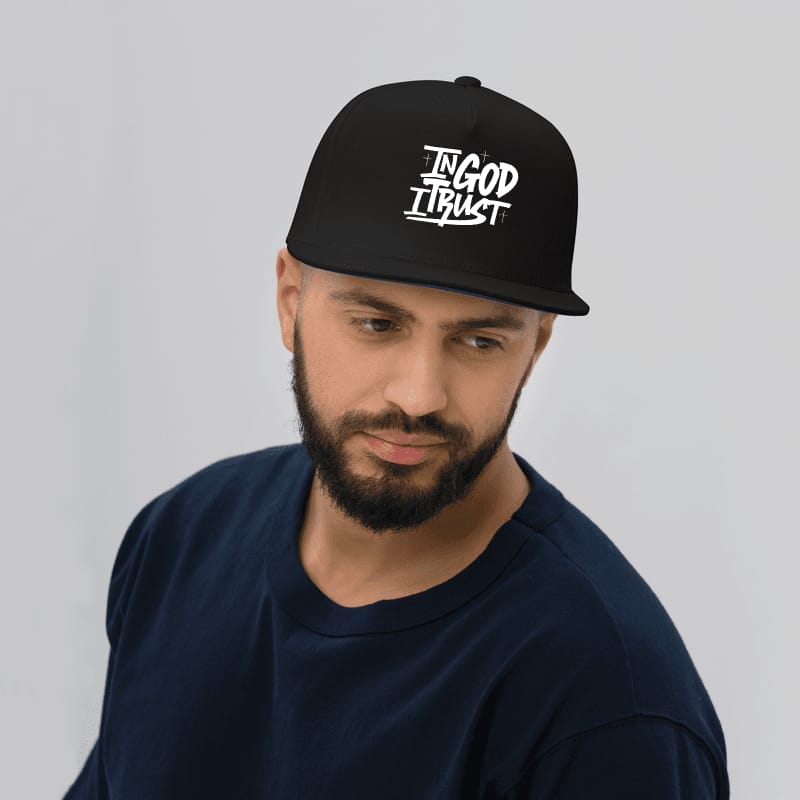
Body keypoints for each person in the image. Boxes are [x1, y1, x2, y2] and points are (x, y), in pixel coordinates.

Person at [64, 76, 729, 798]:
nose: (419, 395)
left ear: (535, 347)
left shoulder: (608, 708)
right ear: (290, 302)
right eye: (377, 324)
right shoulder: (181, 540)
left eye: (478, 341)